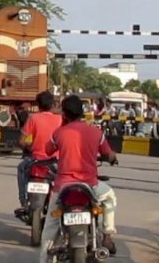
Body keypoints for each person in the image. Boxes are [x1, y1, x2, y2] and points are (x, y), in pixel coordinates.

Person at [39, 95, 118, 263]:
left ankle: (44, 260)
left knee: (49, 228)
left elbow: (47, 150)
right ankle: (108, 236)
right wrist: (111, 158)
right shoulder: (96, 132)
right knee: (109, 197)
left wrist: (62, 127)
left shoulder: (59, 133)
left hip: (62, 187)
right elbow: (108, 154)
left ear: (65, 114)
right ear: (82, 112)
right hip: (90, 186)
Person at [15, 91, 62, 212]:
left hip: (36, 160)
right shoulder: (60, 120)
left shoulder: (33, 118)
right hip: (56, 162)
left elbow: (21, 141)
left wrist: (29, 147)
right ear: (52, 104)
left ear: (38, 105)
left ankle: (23, 199)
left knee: (21, 168)